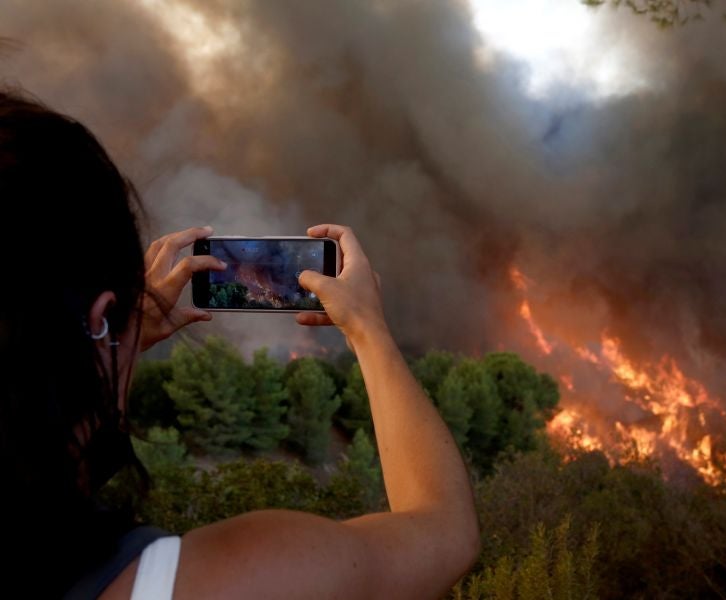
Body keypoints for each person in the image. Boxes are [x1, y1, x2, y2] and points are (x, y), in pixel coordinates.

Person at [0, 88, 480, 599]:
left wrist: (106, 344)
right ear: (98, 320)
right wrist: (369, 330)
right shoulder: (235, 578)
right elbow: (445, 531)